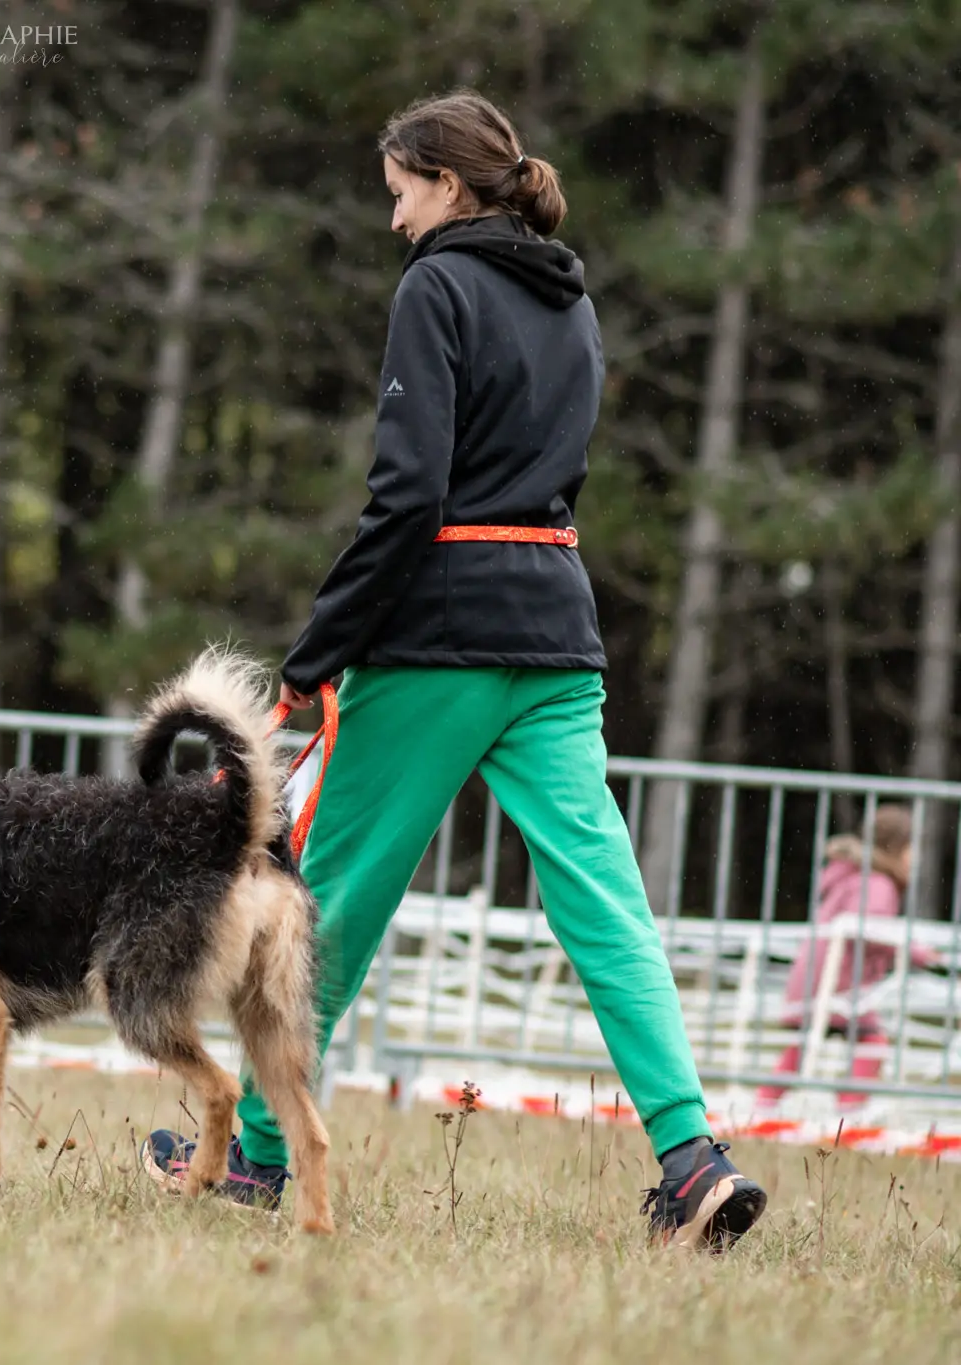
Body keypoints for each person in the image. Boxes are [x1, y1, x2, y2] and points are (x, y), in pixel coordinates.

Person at [143, 90, 768, 1251]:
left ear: (443, 184)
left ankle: (262, 1162)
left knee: (324, 907)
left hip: (438, 637)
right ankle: (690, 1161)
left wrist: (314, 655)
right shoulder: (569, 302)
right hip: (557, 635)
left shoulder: (435, 286)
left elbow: (407, 497)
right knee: (606, 907)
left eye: (396, 195)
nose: (392, 223)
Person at [757, 806, 942, 1109]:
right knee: (872, 1044)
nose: (915, 858)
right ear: (897, 847)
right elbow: (872, 932)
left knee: (805, 1045)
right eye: (912, 849)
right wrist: (917, 953)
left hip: (816, 975)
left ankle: (763, 1102)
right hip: (842, 983)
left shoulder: (851, 875)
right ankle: (849, 1110)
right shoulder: (878, 884)